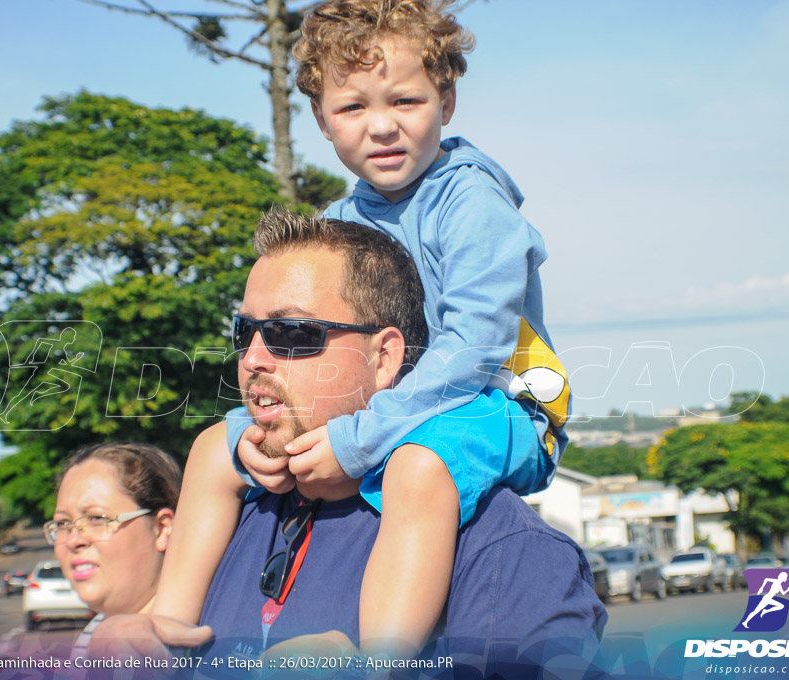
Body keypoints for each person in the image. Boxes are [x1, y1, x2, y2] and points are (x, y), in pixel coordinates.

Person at [156, 0, 572, 659]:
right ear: (321, 119)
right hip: (392, 411)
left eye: (405, 100)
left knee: (418, 466)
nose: (383, 127)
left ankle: (379, 659)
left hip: (500, 405)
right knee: (216, 444)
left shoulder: (470, 200)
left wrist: (358, 439)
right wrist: (272, 439)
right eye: (353, 109)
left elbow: (475, 348)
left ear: (448, 100)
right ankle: (168, 620)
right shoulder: (341, 219)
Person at [94, 210, 605, 678]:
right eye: (244, 330)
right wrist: (130, 642)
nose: (252, 359)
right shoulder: (235, 505)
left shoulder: (504, 551)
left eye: (290, 332)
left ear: (385, 359)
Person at [45, 441, 181, 659]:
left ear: (162, 528)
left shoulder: (205, 643)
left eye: (97, 518)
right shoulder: (95, 633)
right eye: (62, 524)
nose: (73, 540)